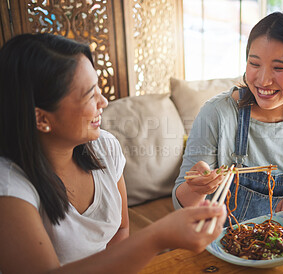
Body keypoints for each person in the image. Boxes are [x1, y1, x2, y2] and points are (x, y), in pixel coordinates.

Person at [0, 33, 226, 273]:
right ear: (41, 118)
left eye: (98, 88)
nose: (103, 101)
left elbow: (120, 230)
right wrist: (157, 236)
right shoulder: (9, 188)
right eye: (89, 94)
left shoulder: (104, 147)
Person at [173, 11, 283, 228]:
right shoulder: (217, 113)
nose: (263, 80)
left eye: (279, 67)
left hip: (278, 247)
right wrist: (197, 188)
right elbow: (181, 204)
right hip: (218, 247)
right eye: (254, 64)